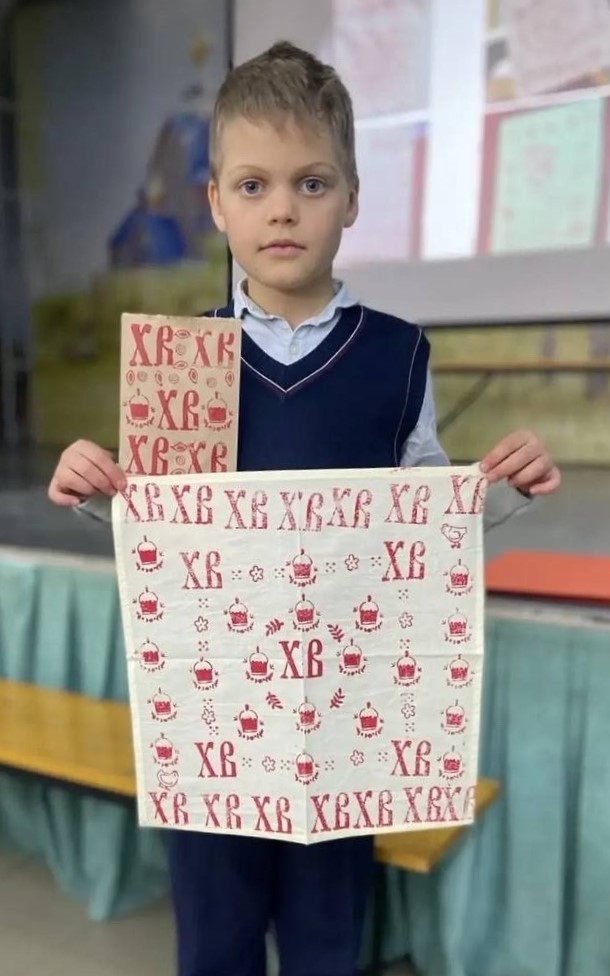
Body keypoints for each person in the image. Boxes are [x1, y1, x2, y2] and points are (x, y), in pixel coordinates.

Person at [48, 41, 561, 976]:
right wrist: (96, 492)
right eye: (253, 186)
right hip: (214, 734)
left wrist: (500, 490)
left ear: (353, 198)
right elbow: (156, 526)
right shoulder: (181, 360)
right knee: (216, 950)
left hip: (342, 733)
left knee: (328, 949)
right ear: (216, 203)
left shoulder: (397, 355)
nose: (282, 208)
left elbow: (427, 524)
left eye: (311, 183)